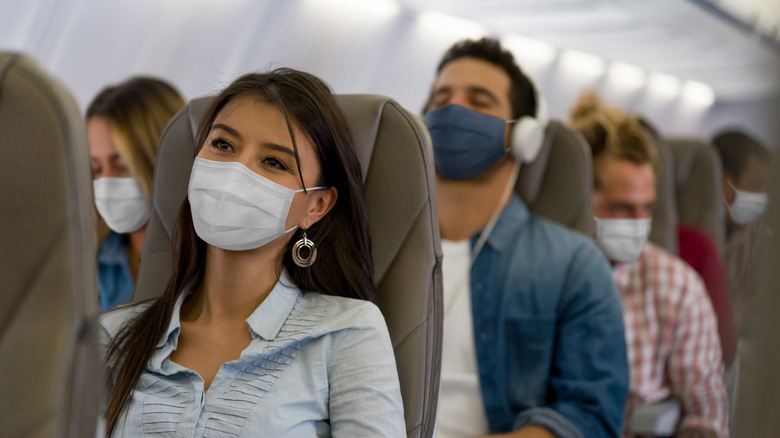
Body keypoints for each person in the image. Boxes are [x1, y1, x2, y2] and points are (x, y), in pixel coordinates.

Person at [100, 69, 405, 437]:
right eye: (223, 145)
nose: (235, 172)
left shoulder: (347, 330)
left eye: (274, 162)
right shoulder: (114, 335)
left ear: (316, 206)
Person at [424, 38, 628, 438]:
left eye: (479, 100)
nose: (453, 110)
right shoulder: (374, 250)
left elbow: (592, 416)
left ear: (524, 136)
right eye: (441, 98)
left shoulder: (573, 264)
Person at [569, 92, 728, 438]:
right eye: (622, 208)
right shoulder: (540, 277)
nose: (639, 224)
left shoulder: (676, 286)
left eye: (647, 209)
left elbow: (707, 420)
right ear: (580, 199)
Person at [87, 77, 185, 311]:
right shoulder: (88, 263)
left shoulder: (212, 263)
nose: (106, 182)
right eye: (95, 169)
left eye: (123, 166)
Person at [711, 130, 772, 335]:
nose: (763, 196)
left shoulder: (761, 238)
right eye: (756, 186)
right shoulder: (689, 244)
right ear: (724, 183)